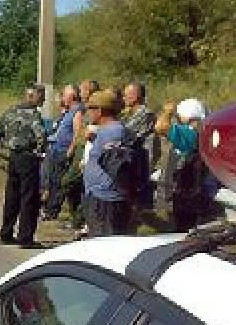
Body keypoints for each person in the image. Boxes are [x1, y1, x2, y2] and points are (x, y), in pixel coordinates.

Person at [0, 87, 48, 249]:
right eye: (41, 97)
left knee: (12, 196)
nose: (43, 100)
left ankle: (6, 233)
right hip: (28, 158)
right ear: (33, 97)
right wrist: (39, 152)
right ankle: (25, 237)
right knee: (28, 198)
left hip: (13, 157)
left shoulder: (10, 111)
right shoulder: (33, 115)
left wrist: (4, 143)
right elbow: (41, 136)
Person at [83, 89, 131, 237]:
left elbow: (116, 164)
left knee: (104, 243)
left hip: (105, 199)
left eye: (90, 108)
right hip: (99, 196)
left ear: (100, 110)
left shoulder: (113, 132)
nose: (87, 112)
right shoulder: (106, 131)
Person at [155, 98, 208, 231]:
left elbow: (160, 127)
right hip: (188, 192)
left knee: (181, 230)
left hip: (185, 194)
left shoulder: (189, 134)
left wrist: (167, 112)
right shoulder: (196, 132)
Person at [43, 84, 82, 220]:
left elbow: (77, 133)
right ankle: (49, 208)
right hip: (56, 148)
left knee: (58, 181)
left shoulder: (77, 111)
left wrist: (71, 149)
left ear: (72, 96)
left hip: (63, 150)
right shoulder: (68, 111)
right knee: (52, 180)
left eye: (65, 95)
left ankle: (52, 210)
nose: (63, 98)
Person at [121, 82, 157, 208]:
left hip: (142, 160)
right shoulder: (130, 113)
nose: (123, 98)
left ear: (135, 96)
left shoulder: (145, 114)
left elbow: (125, 133)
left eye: (125, 95)